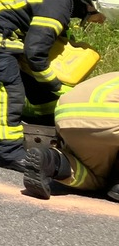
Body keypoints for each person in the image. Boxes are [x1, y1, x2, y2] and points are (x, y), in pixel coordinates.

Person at [0, 0, 119, 170]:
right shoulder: (56, 11)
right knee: (10, 91)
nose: (100, 22)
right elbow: (35, 54)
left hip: (19, 34)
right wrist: (56, 85)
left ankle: (48, 126)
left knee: (40, 89)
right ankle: (8, 152)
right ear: (91, 6)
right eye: (102, 16)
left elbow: (43, 41)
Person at [22, 69, 119, 202]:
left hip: (65, 113)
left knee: (94, 176)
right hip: (108, 116)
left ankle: (50, 161)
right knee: (101, 180)